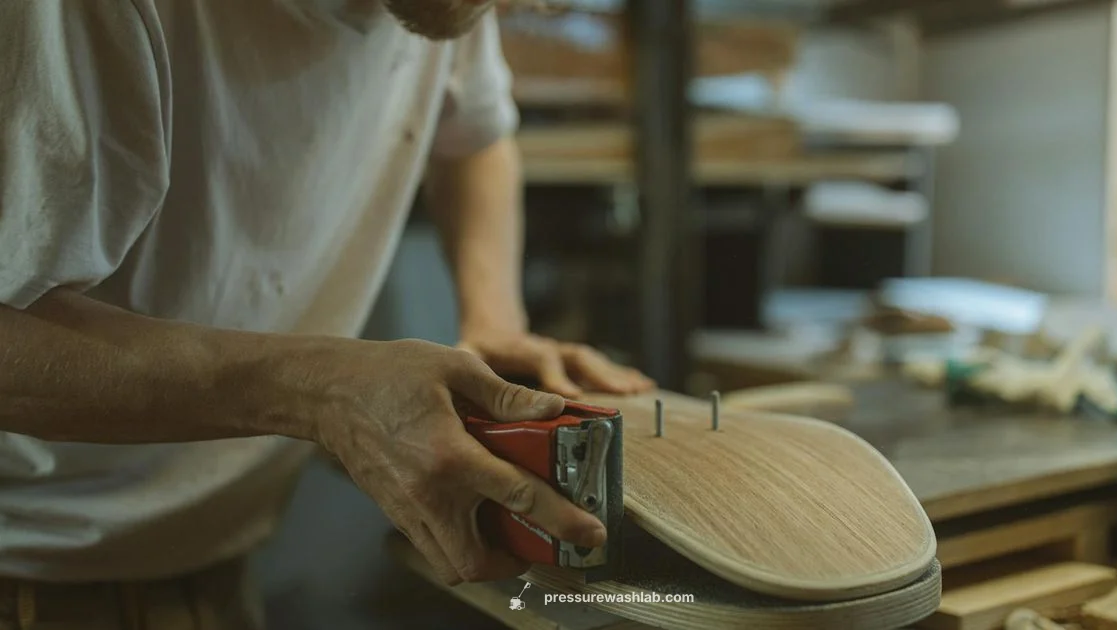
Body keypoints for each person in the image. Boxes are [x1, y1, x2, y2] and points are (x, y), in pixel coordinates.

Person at [0, 0, 654, 627]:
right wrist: (319, 391)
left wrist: (494, 320)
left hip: (208, 562)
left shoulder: (449, 7)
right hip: (29, 572)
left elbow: (475, 134)